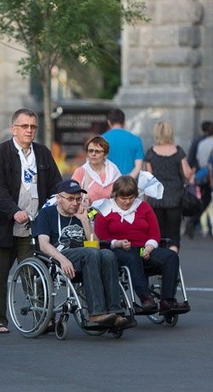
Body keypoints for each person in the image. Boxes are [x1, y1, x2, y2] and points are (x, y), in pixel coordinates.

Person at [0, 108, 62, 334]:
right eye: (24, 126)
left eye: (33, 127)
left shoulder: (43, 153)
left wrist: (67, 197)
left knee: (35, 274)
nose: (29, 130)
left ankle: (42, 317)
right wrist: (14, 211)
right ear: (14, 129)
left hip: (34, 225)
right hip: (5, 224)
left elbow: (56, 183)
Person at [34, 179, 135, 329]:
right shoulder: (47, 213)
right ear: (59, 198)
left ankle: (116, 311)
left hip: (86, 254)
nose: (75, 203)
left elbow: (95, 245)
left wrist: (85, 221)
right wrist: (62, 260)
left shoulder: (82, 213)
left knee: (107, 254)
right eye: (70, 199)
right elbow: (43, 244)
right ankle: (95, 313)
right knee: (91, 254)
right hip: (61, 254)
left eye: (78, 199)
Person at [93, 176, 190, 315]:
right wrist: (117, 243)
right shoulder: (106, 209)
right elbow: (101, 237)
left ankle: (167, 300)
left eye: (131, 198)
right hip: (119, 249)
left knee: (171, 256)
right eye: (123, 198)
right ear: (115, 195)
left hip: (144, 247)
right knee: (132, 258)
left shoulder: (143, 207)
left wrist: (149, 247)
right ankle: (146, 298)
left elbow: (154, 233)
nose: (127, 202)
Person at [144, 121, 192, 252]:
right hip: (175, 198)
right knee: (173, 234)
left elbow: (148, 178)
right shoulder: (178, 151)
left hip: (156, 199)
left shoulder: (150, 153)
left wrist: (145, 200)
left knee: (158, 234)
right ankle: (173, 260)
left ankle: (161, 262)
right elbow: (187, 173)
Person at [71, 135, 121, 204]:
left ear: (105, 154)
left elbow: (122, 194)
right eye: (90, 151)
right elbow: (71, 195)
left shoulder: (113, 171)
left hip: (111, 213)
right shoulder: (81, 172)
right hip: (88, 213)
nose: (93, 154)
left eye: (97, 151)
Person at [101, 108, 144, 178]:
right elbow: (138, 168)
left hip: (107, 183)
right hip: (129, 185)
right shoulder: (136, 139)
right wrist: (126, 182)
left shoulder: (100, 140)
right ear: (124, 122)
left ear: (109, 122)